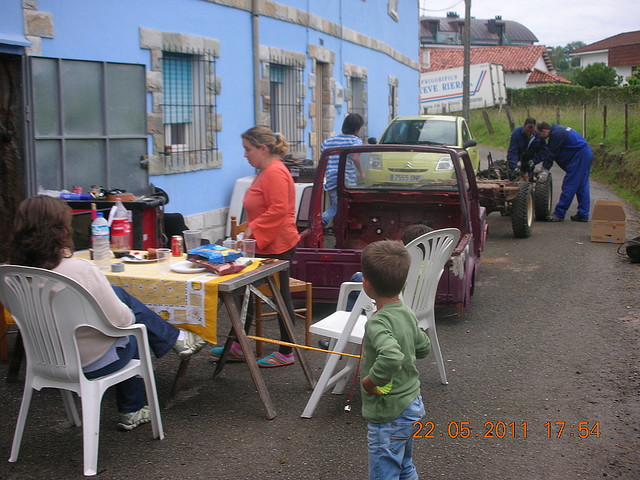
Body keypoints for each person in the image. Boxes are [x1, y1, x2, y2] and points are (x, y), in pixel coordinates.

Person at [8, 195, 207, 431]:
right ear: (61, 229)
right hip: (91, 361)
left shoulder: (9, 275)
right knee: (134, 327)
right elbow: (122, 320)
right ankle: (135, 404)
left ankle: (172, 346)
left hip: (45, 360)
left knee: (118, 298)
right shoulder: (79, 269)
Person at [210, 125, 300, 367]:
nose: (245, 154)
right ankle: (238, 344)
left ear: (262, 148)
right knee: (244, 292)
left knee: (278, 297)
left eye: (248, 149)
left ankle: (287, 351)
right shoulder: (264, 170)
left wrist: (252, 230)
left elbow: (279, 210)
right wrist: (251, 229)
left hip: (276, 245)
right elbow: (265, 208)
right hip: (266, 242)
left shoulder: (274, 172)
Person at [359, 240, 431, 480]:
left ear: (366, 283)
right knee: (405, 465)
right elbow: (423, 347)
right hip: (411, 404)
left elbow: (391, 356)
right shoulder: (407, 312)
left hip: (389, 413)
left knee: (385, 474)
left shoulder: (377, 322)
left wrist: (370, 382)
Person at [534, 121, 593, 222]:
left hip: (580, 156)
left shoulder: (556, 135)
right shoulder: (556, 130)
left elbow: (551, 153)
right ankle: (583, 214)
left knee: (569, 184)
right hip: (585, 153)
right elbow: (547, 152)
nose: (538, 136)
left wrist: (545, 170)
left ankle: (559, 213)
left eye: (538, 134)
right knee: (582, 185)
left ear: (544, 131)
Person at [321, 113, 365, 226]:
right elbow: (355, 157)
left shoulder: (328, 142)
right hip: (346, 180)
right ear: (357, 128)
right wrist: (361, 172)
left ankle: (337, 226)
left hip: (331, 179)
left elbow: (324, 160)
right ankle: (321, 221)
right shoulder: (356, 141)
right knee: (346, 205)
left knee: (335, 204)